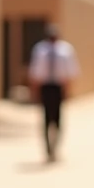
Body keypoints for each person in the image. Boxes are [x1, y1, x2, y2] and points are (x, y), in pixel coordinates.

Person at [28, 24, 80, 162]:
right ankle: (48, 149)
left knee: (57, 118)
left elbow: (71, 72)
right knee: (46, 119)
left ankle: (56, 146)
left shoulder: (66, 50)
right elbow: (35, 72)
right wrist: (35, 91)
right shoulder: (40, 49)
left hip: (58, 87)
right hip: (45, 87)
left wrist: (68, 90)